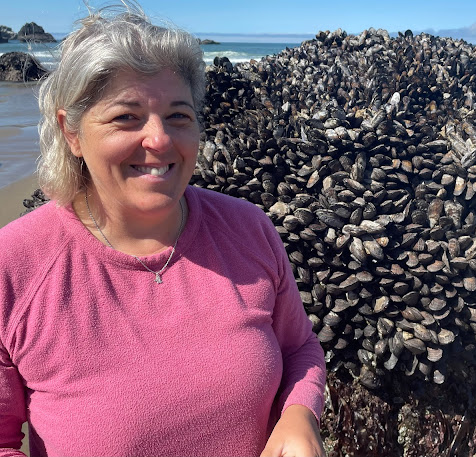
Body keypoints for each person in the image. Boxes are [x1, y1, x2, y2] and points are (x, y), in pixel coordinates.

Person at [0, 3, 326, 456]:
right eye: (125, 117)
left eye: (178, 116)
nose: (159, 139)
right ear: (71, 132)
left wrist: (299, 415)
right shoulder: (14, 265)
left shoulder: (249, 229)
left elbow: (300, 350)